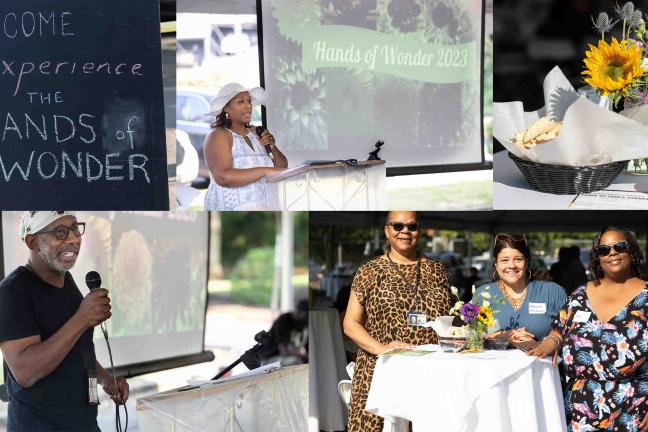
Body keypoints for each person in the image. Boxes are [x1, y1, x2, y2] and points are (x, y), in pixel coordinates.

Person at [0, 212, 129, 431]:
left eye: (75, 228)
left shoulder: (65, 280)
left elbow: (75, 347)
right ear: (33, 242)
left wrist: (105, 379)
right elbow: (25, 371)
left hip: (83, 423)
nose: (73, 239)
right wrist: (81, 319)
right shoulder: (12, 292)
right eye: (60, 232)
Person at [529, 227, 648, 431]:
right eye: (604, 249)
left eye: (619, 246)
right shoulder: (579, 296)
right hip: (579, 414)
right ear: (597, 257)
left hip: (633, 414)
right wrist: (551, 341)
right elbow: (559, 330)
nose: (612, 252)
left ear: (633, 252)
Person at [343, 211, 452, 432]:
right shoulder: (369, 271)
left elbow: (448, 319)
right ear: (387, 230)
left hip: (430, 373)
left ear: (419, 230)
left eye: (412, 226)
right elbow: (350, 324)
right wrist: (383, 349)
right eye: (398, 226)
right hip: (380, 370)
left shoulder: (437, 270)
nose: (405, 231)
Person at [203, 83, 288, 210]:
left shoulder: (256, 133)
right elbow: (222, 177)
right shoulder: (218, 135)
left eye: (249, 101)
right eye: (240, 102)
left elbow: (282, 168)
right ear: (226, 108)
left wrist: (272, 146)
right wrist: (265, 171)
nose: (248, 106)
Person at [473, 233, 566, 343]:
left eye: (518, 259)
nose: (512, 265)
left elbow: (570, 333)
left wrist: (538, 342)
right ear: (496, 264)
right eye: (504, 260)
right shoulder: (483, 294)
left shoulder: (553, 292)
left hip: (541, 359)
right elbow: (472, 336)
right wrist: (500, 336)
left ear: (526, 262)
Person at [258, 299, 308, 366]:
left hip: (284, 358)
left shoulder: (304, 325)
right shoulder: (283, 320)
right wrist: (304, 356)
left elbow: (304, 349)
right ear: (300, 312)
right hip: (269, 360)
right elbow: (285, 352)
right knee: (296, 361)